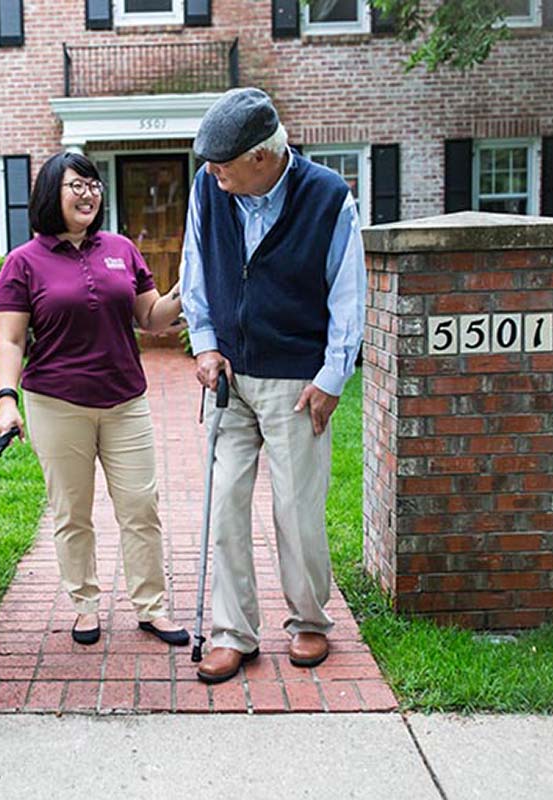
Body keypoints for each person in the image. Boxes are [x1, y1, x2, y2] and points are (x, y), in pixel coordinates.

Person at [179, 88, 366, 683]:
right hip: (229, 376)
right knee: (225, 505)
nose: (211, 172)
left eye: (222, 162)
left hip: (297, 381)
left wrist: (333, 377)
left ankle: (309, 620)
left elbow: (348, 294)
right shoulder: (211, 188)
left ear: (262, 157)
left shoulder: (328, 197)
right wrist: (205, 344)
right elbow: (195, 270)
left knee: (297, 509)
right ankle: (233, 633)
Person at [0, 151, 190, 647]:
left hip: (125, 400)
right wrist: (5, 400)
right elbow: (11, 341)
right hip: (56, 403)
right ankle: (84, 605)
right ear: (50, 194)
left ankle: (152, 607)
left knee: (141, 506)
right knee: (71, 511)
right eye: (76, 184)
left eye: (94, 185)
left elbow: (152, 317)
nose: (89, 193)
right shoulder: (23, 262)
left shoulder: (121, 248)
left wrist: (188, 290)